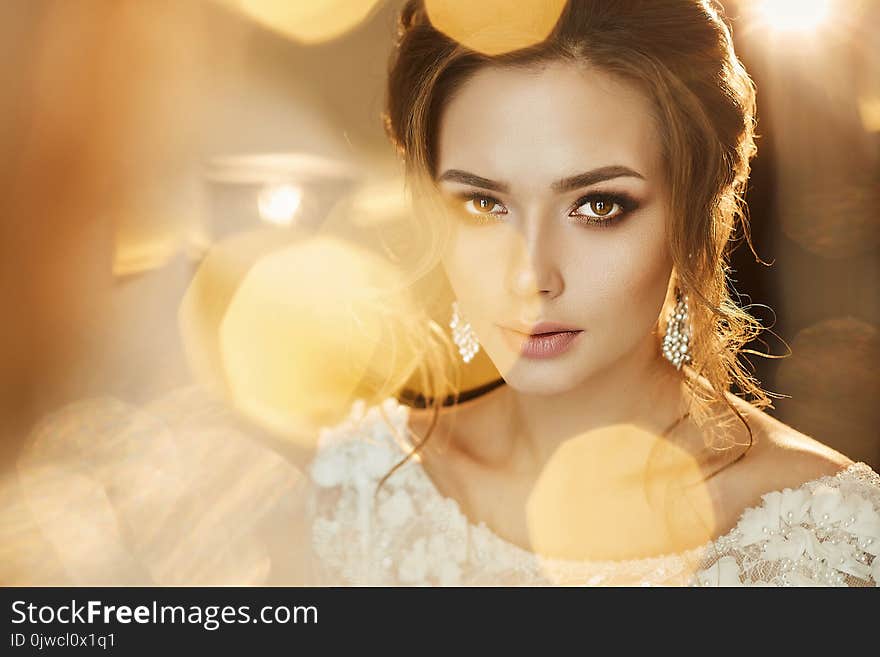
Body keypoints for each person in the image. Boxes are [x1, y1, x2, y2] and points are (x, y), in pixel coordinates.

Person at [305, 0, 880, 586]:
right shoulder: (362, 484)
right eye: (484, 205)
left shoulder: (827, 543)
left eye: (598, 206)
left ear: (695, 211)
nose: (531, 277)